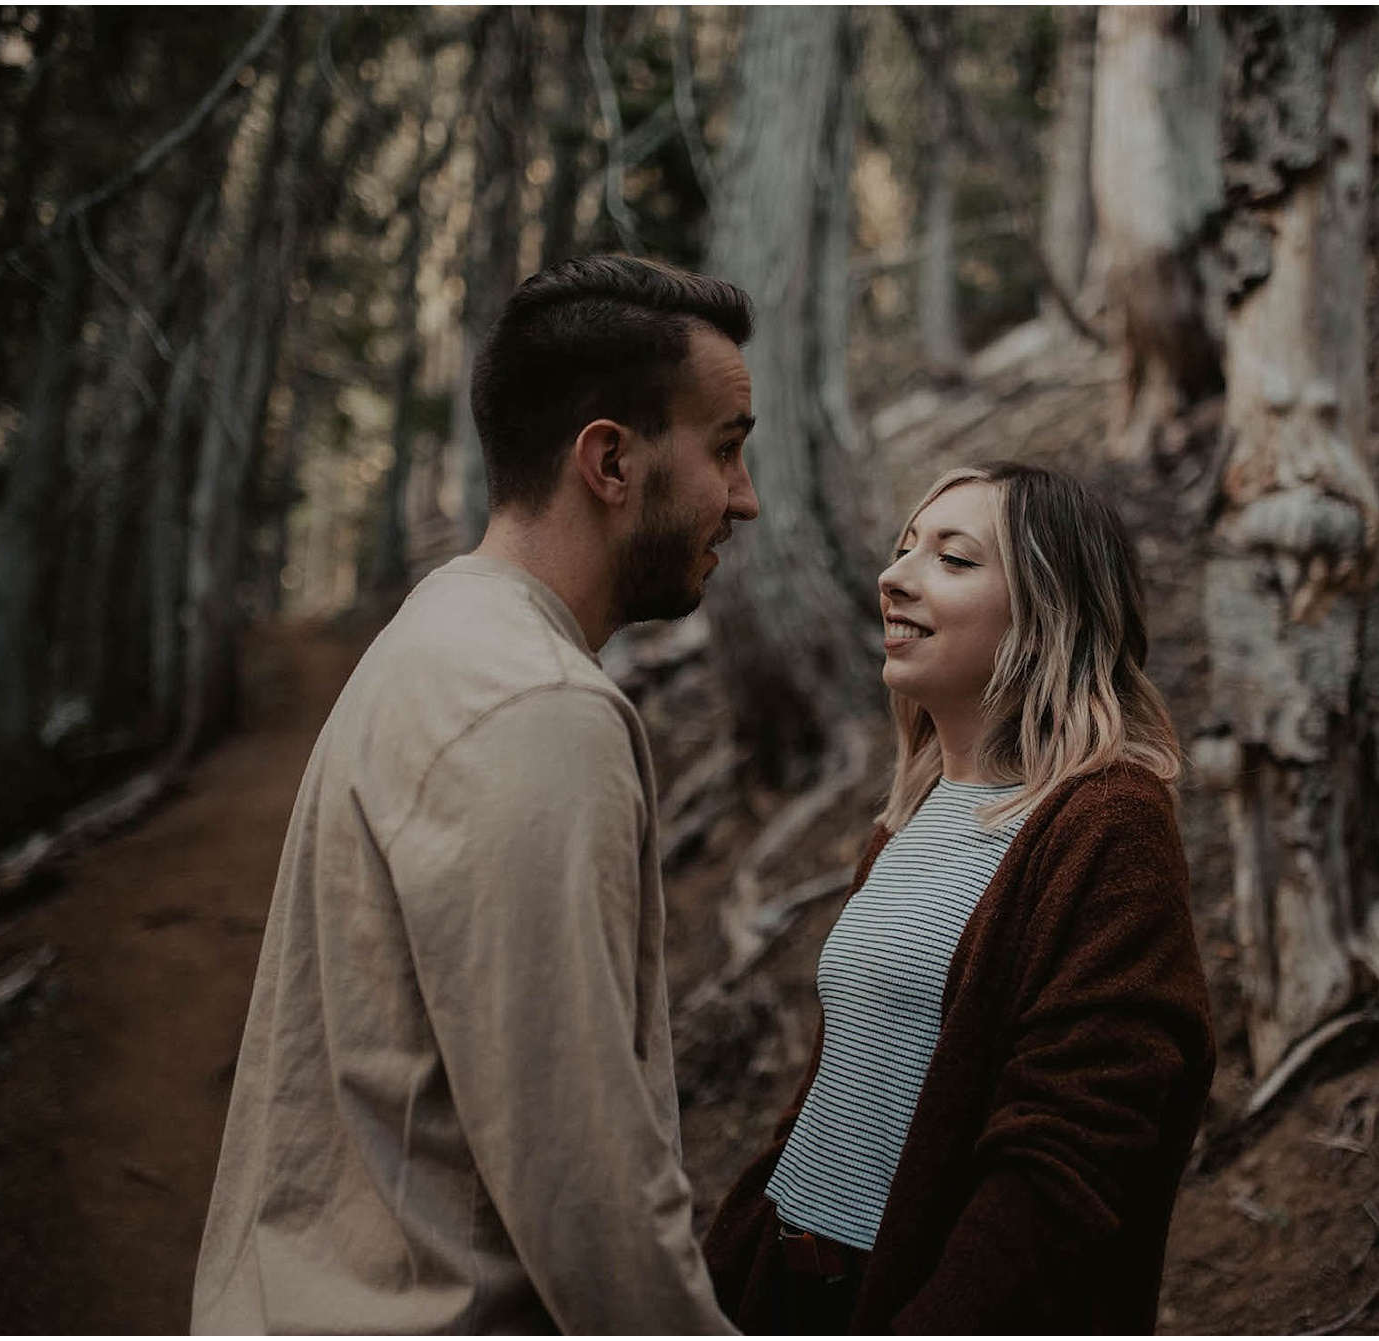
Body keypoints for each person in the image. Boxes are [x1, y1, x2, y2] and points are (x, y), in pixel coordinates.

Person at [192, 256, 757, 1334]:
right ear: (609, 460)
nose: (746, 497)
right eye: (725, 449)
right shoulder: (535, 708)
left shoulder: (432, 638)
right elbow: (586, 1180)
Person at [703, 461, 1216, 1333]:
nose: (893, 577)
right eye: (905, 548)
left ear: (1049, 610)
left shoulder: (1106, 822)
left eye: (953, 558)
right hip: (785, 1289)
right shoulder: (908, 817)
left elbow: (1069, 1157)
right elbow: (842, 1088)